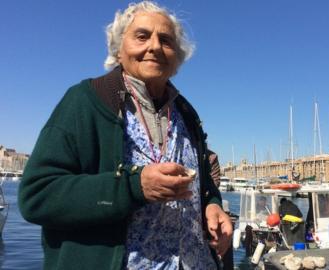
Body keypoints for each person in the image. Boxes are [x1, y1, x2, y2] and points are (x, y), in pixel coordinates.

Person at [18, 2, 232, 269]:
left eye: (165, 40)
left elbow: (204, 186)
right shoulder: (85, 101)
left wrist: (211, 206)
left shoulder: (187, 113)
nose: (154, 46)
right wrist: (133, 187)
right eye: (142, 36)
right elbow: (37, 195)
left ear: (176, 56)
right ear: (119, 49)